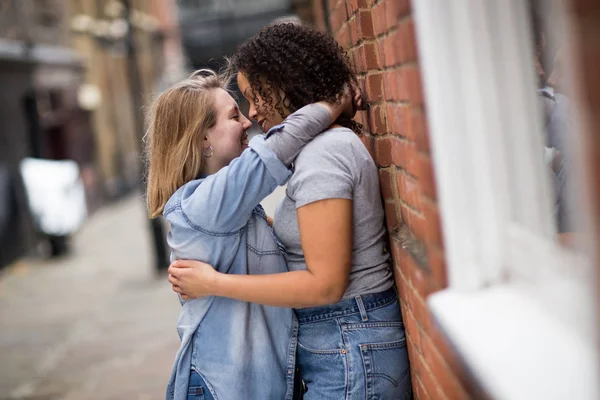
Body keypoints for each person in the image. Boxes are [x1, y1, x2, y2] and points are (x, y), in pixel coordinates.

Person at [169, 23, 412, 400]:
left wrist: (214, 282)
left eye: (254, 97)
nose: (251, 115)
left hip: (347, 342)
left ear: (281, 87)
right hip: (343, 344)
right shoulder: (315, 154)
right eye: (238, 112)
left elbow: (325, 284)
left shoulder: (322, 155)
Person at [145, 68, 352, 400]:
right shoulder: (208, 202)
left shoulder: (224, 204)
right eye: (233, 115)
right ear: (203, 139)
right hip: (225, 389)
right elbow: (277, 147)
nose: (247, 122)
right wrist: (333, 102)